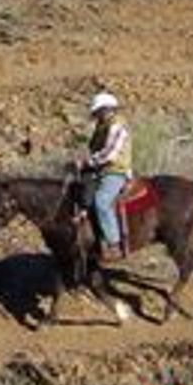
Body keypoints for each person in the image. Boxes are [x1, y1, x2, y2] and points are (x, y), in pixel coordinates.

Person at [79, 91, 132, 261]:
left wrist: (89, 162)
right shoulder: (101, 125)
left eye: (97, 111)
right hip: (99, 169)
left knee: (102, 201)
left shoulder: (117, 125)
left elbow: (110, 154)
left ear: (107, 109)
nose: (95, 115)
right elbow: (94, 148)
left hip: (115, 171)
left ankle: (114, 244)